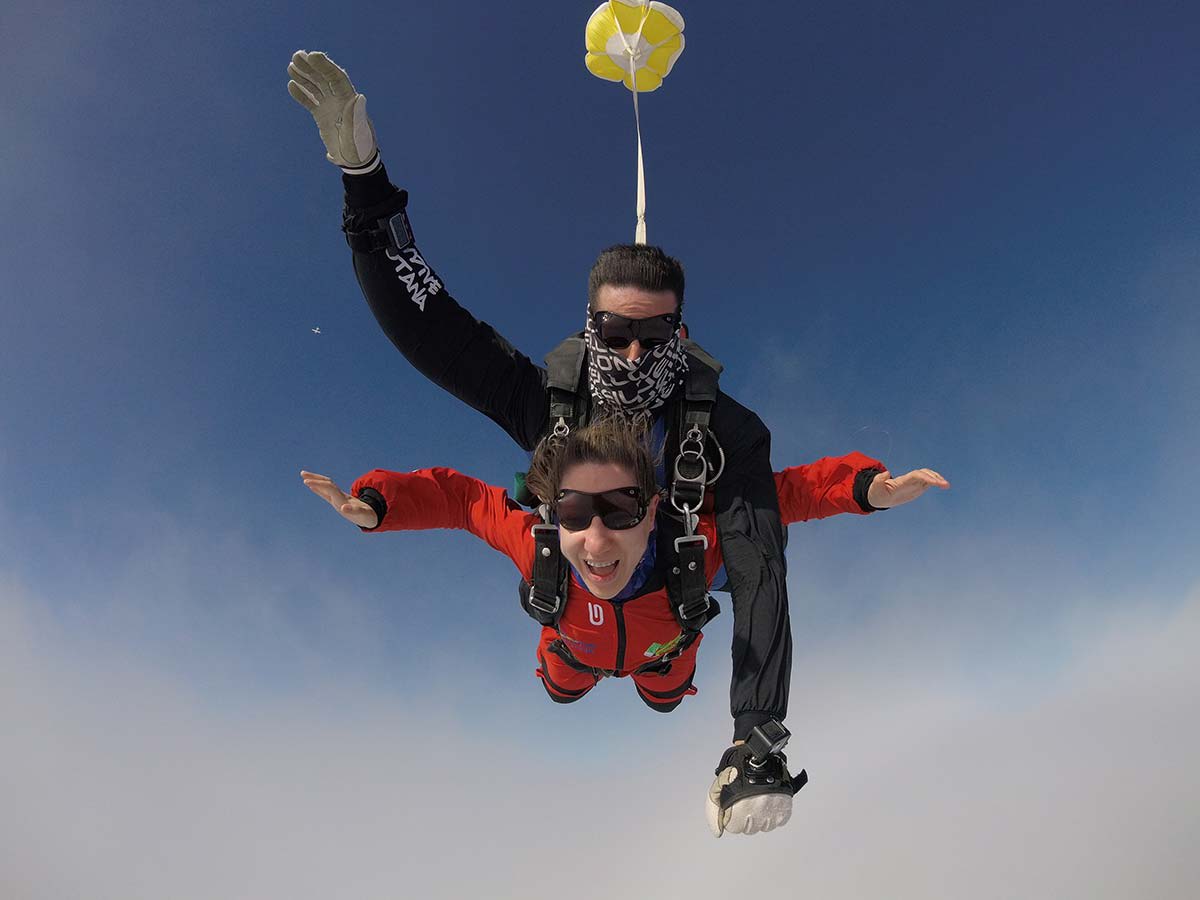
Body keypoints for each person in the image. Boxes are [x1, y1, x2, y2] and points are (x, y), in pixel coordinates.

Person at [302, 418, 949, 836]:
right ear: (555, 515)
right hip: (573, 652)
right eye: (577, 512)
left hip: (663, 655)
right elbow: (465, 499)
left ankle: (648, 686)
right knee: (561, 686)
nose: (598, 536)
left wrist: (865, 488)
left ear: (655, 509)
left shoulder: (691, 550)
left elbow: (782, 497)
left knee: (663, 697)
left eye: (621, 508)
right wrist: (381, 505)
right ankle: (578, 681)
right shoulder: (542, 549)